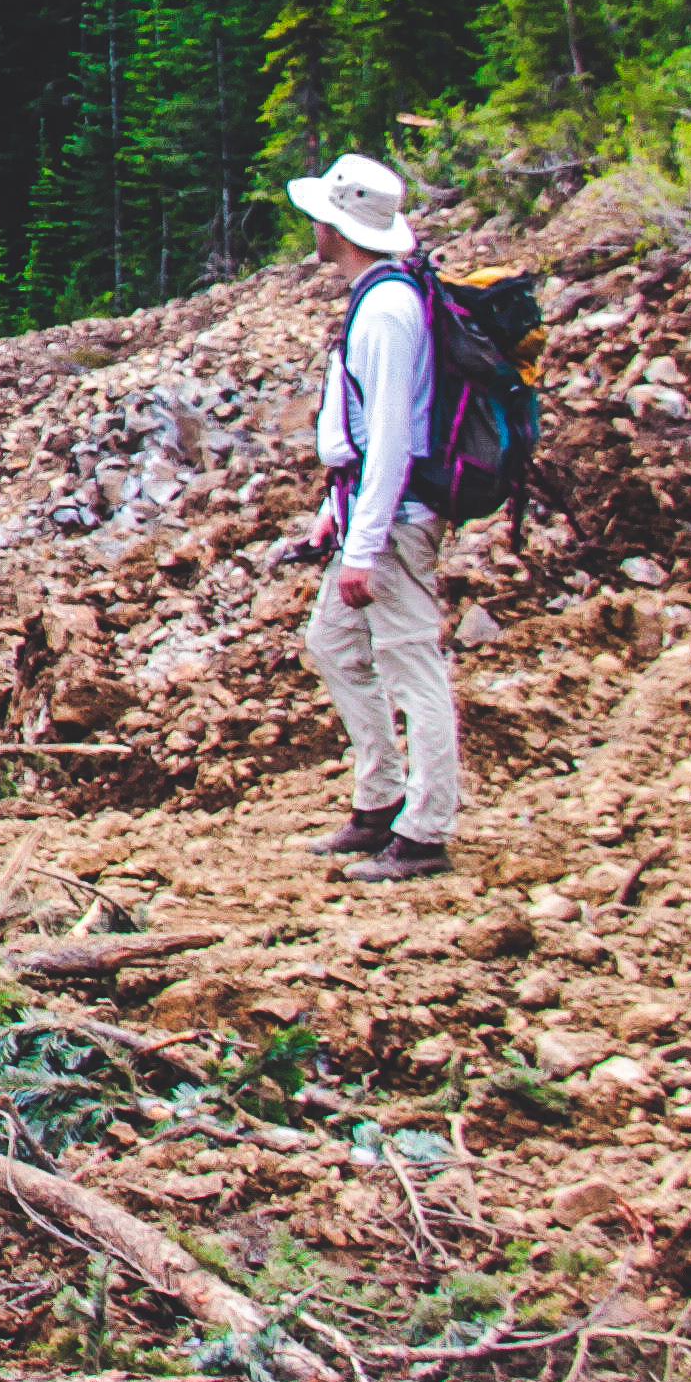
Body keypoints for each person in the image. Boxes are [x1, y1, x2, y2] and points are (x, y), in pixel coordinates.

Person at [286, 149, 457, 883]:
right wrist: (337, 513)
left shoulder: (385, 311)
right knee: (332, 643)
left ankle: (424, 831)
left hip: (396, 518)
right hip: (370, 512)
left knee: (412, 664)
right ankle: (379, 798)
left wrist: (365, 545)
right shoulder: (381, 295)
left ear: (339, 224)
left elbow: (389, 436)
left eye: (321, 215)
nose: (312, 226)